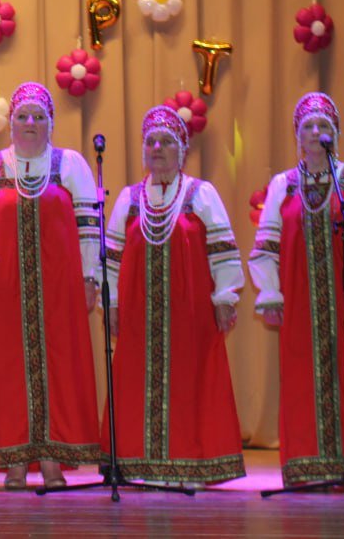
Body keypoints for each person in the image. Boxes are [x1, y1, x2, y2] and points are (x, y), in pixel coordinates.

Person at [249, 92, 344, 488]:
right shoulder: (283, 185)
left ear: (336, 134)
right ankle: (308, 468)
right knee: (301, 379)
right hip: (299, 304)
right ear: (297, 136)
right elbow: (265, 247)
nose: (316, 132)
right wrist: (270, 293)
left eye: (324, 126)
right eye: (308, 126)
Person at [0, 82, 102, 490]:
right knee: (7, 369)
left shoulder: (71, 163)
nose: (30, 123)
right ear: (11, 123)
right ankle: (15, 461)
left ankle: (53, 461)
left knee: (60, 368)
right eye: (22, 116)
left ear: (51, 123)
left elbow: (89, 226)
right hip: (3, 287)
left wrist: (89, 276)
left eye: (39, 117)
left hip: (60, 287)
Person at [100, 105, 245, 486]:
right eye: (151, 141)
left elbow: (223, 249)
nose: (157, 148)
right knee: (137, 384)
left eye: (166, 141)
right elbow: (111, 259)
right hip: (138, 314)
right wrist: (110, 304)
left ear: (182, 149)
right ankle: (139, 465)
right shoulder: (129, 199)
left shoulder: (201, 194)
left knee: (191, 382)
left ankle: (190, 465)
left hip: (191, 311)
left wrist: (225, 297)